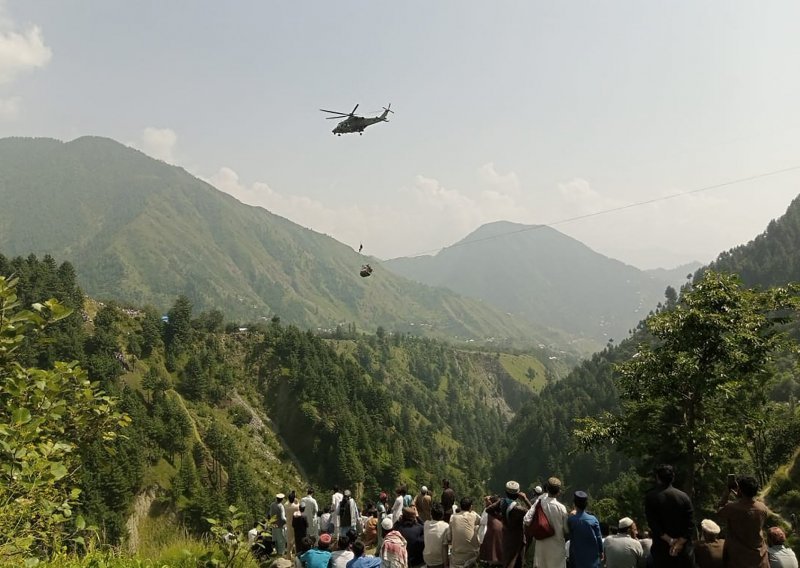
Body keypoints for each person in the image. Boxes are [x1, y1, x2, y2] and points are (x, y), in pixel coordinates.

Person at [644, 465, 694, 567]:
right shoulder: (684, 497)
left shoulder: (651, 497)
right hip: (683, 551)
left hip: (661, 550)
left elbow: (653, 524)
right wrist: (680, 542)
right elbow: (691, 523)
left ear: (658, 478)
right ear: (673, 477)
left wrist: (669, 540)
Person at [717, 475, 770, 568]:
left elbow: (719, 511)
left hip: (738, 560)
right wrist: (740, 497)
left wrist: (727, 492)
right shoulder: (763, 508)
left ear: (740, 490)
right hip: (760, 559)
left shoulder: (732, 508)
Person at [526, 477, 567, 568]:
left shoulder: (539, 503)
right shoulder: (561, 508)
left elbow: (527, 520)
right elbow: (566, 529)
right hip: (557, 546)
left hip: (541, 546)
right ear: (558, 492)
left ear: (547, 489)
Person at [566, 490, 603, 568]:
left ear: (574, 504)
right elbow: (599, 537)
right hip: (592, 560)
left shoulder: (571, 520)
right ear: (586, 504)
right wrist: (601, 551)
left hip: (576, 560)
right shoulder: (593, 519)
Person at [446, 497, 481, 568]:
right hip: (472, 556)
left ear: (460, 506)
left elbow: (449, 537)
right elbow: (482, 521)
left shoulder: (453, 517)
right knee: (477, 528)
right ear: (471, 507)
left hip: (457, 557)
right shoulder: (474, 515)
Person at [479, 496, 504, 567]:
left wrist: (488, 505)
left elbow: (482, 521)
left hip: (489, 533)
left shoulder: (489, 511)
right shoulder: (502, 511)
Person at [424, 503, 450, 568]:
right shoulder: (445, 526)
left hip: (427, 559)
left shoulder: (426, 524)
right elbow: (446, 545)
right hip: (439, 561)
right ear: (442, 515)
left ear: (431, 515)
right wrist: (446, 565)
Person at [286, 491, 300, 556]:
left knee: (289, 539)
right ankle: (296, 553)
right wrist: (297, 501)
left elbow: (287, 502)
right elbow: (299, 507)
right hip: (295, 525)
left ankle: (288, 554)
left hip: (288, 524)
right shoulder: (296, 507)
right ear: (294, 499)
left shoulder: (285, 505)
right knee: (295, 539)